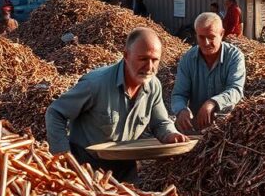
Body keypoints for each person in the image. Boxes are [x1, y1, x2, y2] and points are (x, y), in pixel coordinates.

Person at [45, 27, 188, 182]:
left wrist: (171, 134)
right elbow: (55, 113)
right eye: (143, 59)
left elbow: (159, 122)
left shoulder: (153, 85)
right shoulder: (96, 84)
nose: (149, 67)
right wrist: (64, 157)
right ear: (126, 55)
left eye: (155, 60)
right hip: (87, 166)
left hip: (124, 162)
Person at [172, 12, 246, 134]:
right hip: (196, 128)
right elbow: (179, 94)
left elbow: (236, 90)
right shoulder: (187, 59)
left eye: (211, 37)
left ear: (222, 34)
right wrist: (181, 110)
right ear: (196, 35)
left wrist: (212, 103)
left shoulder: (234, 56)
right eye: (201, 37)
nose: (206, 43)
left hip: (228, 128)